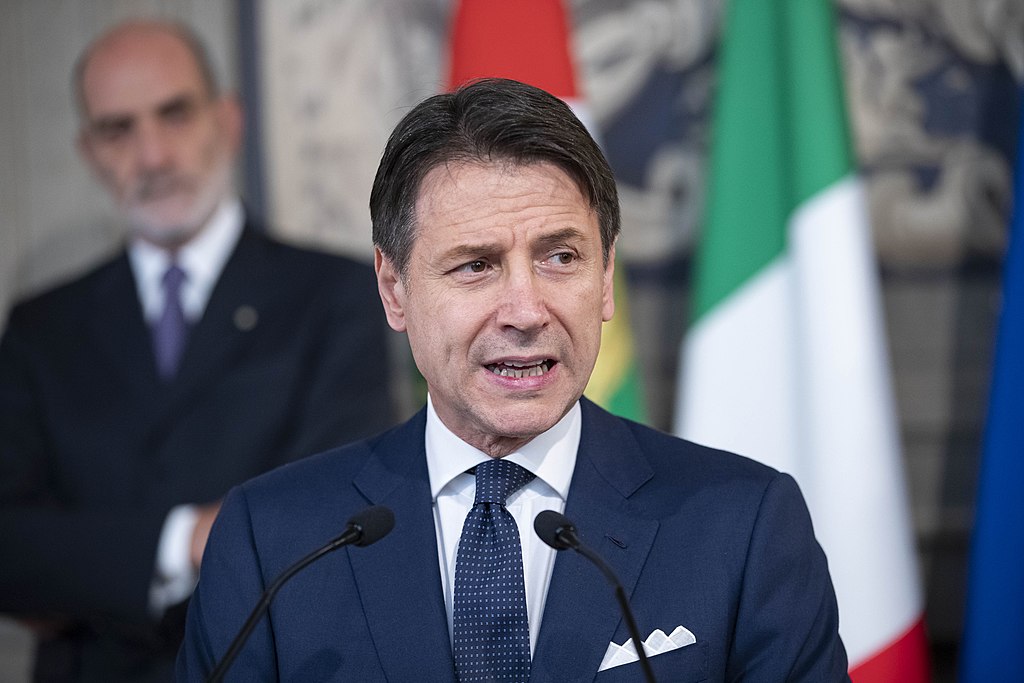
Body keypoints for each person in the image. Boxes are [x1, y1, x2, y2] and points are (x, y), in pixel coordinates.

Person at [177, 78, 849, 682]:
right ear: (394, 289)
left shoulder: (744, 523)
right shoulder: (274, 540)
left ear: (606, 274)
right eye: (475, 265)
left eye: (561, 256)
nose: (527, 311)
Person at [0, 20, 394, 683]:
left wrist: (89, 572)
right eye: (117, 129)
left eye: (174, 113)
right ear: (88, 150)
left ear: (228, 119)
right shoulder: (42, 326)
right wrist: (183, 538)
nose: (152, 154)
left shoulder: (335, 295)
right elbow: (11, 552)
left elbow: (332, 525)